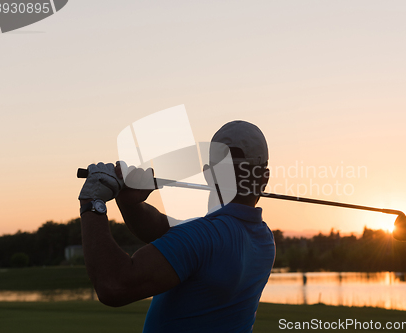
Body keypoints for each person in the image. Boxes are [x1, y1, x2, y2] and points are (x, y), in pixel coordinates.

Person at [78, 120, 275, 332]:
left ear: (208, 174)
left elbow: (114, 285)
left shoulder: (203, 238)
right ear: (265, 178)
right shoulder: (264, 239)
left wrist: (93, 201)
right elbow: (164, 231)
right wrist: (129, 202)